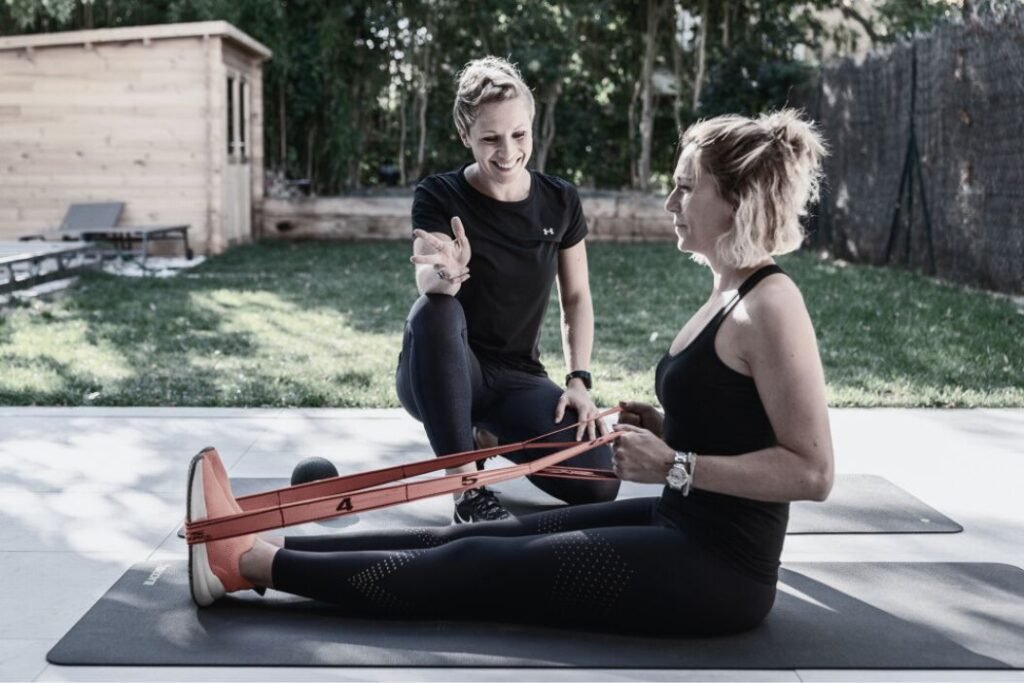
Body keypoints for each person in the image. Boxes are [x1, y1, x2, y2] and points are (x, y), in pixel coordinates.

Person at [188, 109, 835, 637]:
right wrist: (665, 428)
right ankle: (255, 534)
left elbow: (812, 470)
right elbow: (739, 420)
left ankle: (248, 565)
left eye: (687, 187)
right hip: (679, 520)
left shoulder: (771, 304)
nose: (670, 201)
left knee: (480, 561)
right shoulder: (729, 293)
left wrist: (674, 463)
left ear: (738, 200)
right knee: (484, 531)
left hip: (720, 570)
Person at [396, 56, 617, 523]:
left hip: (517, 376)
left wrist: (579, 379)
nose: (508, 151)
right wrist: (448, 275)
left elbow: (575, 297)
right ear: (465, 137)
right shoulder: (439, 195)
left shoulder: (560, 200)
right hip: (444, 370)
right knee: (433, 310)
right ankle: (466, 492)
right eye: (490, 138)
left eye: (519, 134)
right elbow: (427, 277)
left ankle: (483, 433)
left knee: (600, 481)